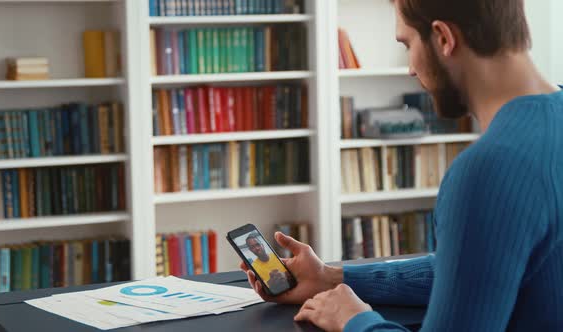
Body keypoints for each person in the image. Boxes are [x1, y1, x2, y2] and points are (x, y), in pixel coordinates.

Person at [241, 0, 563, 331]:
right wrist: (331, 277)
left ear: (443, 38)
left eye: (407, 44)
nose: (410, 68)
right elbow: (477, 269)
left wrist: (355, 321)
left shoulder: (488, 170)